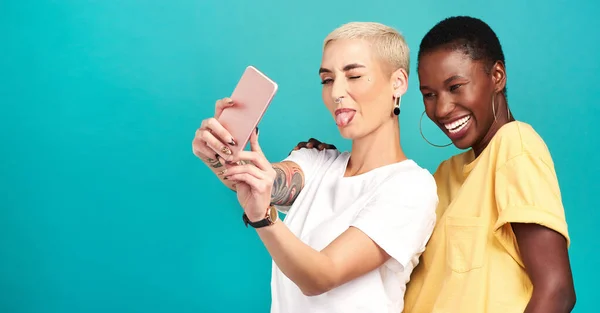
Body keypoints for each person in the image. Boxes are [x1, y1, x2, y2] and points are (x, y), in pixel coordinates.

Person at [293, 16, 576, 313]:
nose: (441, 109)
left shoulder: (515, 145)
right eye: (429, 95)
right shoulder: (441, 177)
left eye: (455, 87)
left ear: (497, 76)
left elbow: (556, 291)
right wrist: (324, 168)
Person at [192, 22, 438, 313]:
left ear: (398, 82)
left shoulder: (411, 187)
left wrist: (263, 219)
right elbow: (266, 183)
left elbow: (323, 275)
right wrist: (218, 155)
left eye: (354, 75)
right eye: (327, 80)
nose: (336, 92)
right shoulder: (315, 161)